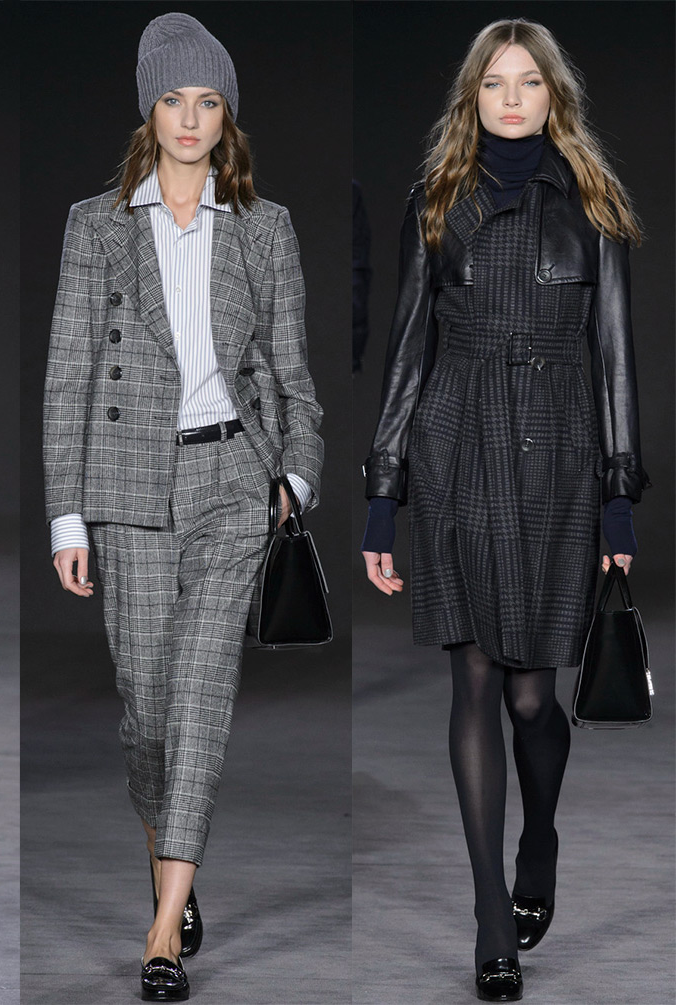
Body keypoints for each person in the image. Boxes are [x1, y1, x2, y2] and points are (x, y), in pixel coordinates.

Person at [360, 18, 646, 1003]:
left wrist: (618, 496)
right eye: (495, 83)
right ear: (471, 97)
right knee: (475, 684)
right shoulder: (435, 200)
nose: (512, 99)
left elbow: (614, 357)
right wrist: (383, 492)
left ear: (553, 95)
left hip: (559, 454)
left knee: (533, 698)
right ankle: (491, 920)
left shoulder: (593, 202)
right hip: (457, 443)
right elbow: (407, 349)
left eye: (528, 82)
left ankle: (541, 838)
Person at [43, 13, 323, 1001]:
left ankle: (162, 930)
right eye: (174, 99)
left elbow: (291, 372)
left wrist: (294, 478)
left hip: (232, 483)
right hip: (125, 489)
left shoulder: (264, 227)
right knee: (146, 714)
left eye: (208, 101)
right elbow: (69, 375)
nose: (191, 118)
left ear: (226, 115)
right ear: (149, 110)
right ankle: (169, 853)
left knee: (201, 696)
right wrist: (66, 515)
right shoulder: (95, 225)